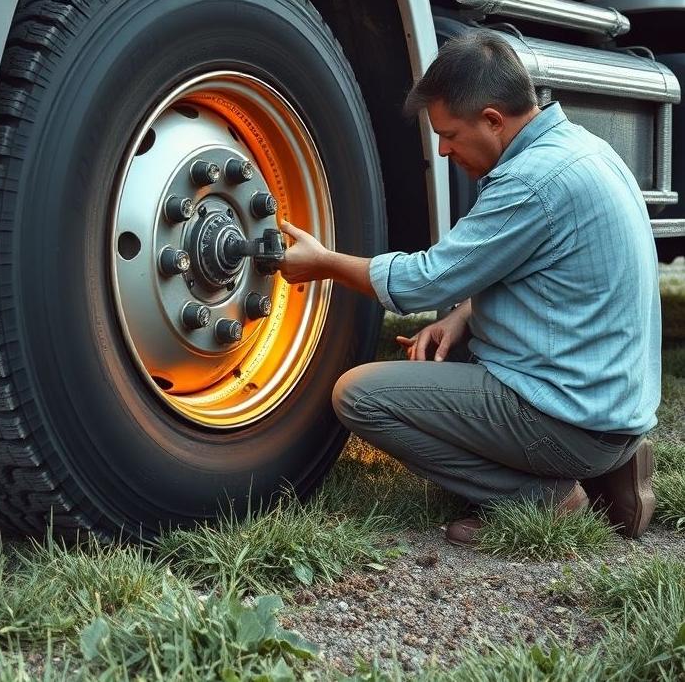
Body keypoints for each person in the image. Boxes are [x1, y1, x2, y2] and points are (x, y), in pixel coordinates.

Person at [279, 30, 659, 547]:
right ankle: (609, 465)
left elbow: (423, 281)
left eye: (450, 134)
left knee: (359, 396)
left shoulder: (529, 182)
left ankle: (545, 497)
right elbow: (547, 274)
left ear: (493, 120)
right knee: (448, 354)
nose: (442, 149)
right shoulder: (584, 148)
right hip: (613, 410)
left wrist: (324, 263)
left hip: (574, 422)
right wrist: (463, 315)